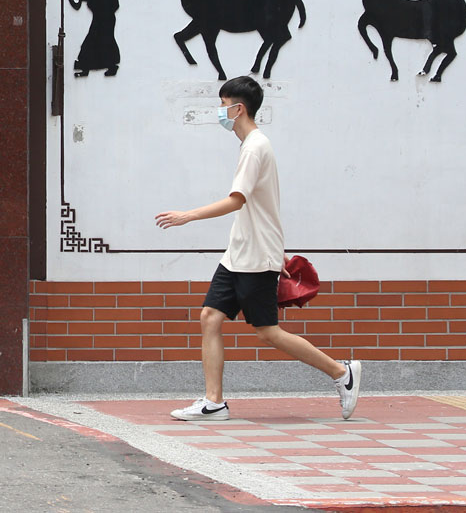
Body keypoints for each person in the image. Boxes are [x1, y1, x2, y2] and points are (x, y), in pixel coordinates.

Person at [154, 76, 360, 421]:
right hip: (238, 253)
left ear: (238, 108)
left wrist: (187, 216)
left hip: (255, 255)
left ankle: (342, 372)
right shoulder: (251, 144)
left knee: (268, 331)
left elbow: (237, 200)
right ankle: (213, 402)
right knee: (210, 317)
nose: (220, 112)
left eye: (223, 105)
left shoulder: (255, 147)